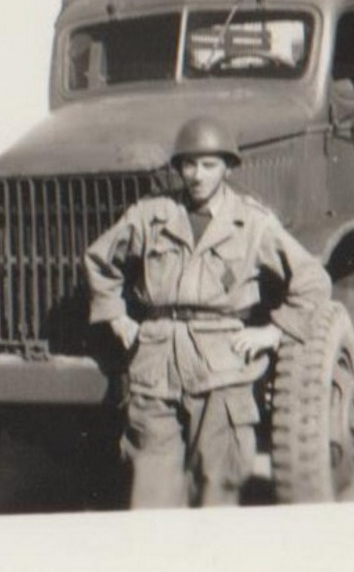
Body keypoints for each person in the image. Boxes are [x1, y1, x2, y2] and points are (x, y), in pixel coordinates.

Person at [84, 116, 332, 508]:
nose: (197, 176)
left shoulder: (252, 223)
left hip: (222, 367)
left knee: (220, 490)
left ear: (227, 168)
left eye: (209, 165)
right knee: (151, 495)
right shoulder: (152, 215)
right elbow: (100, 260)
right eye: (188, 165)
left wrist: (274, 331)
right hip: (155, 369)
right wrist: (117, 315)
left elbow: (312, 279)